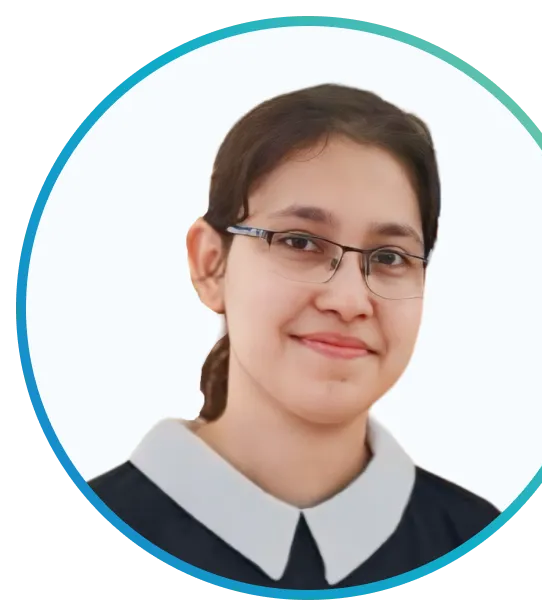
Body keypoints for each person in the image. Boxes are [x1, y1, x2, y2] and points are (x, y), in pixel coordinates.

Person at [89, 83, 500, 590]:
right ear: (212, 265)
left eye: (389, 257)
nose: (349, 300)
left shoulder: (473, 534)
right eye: (300, 242)